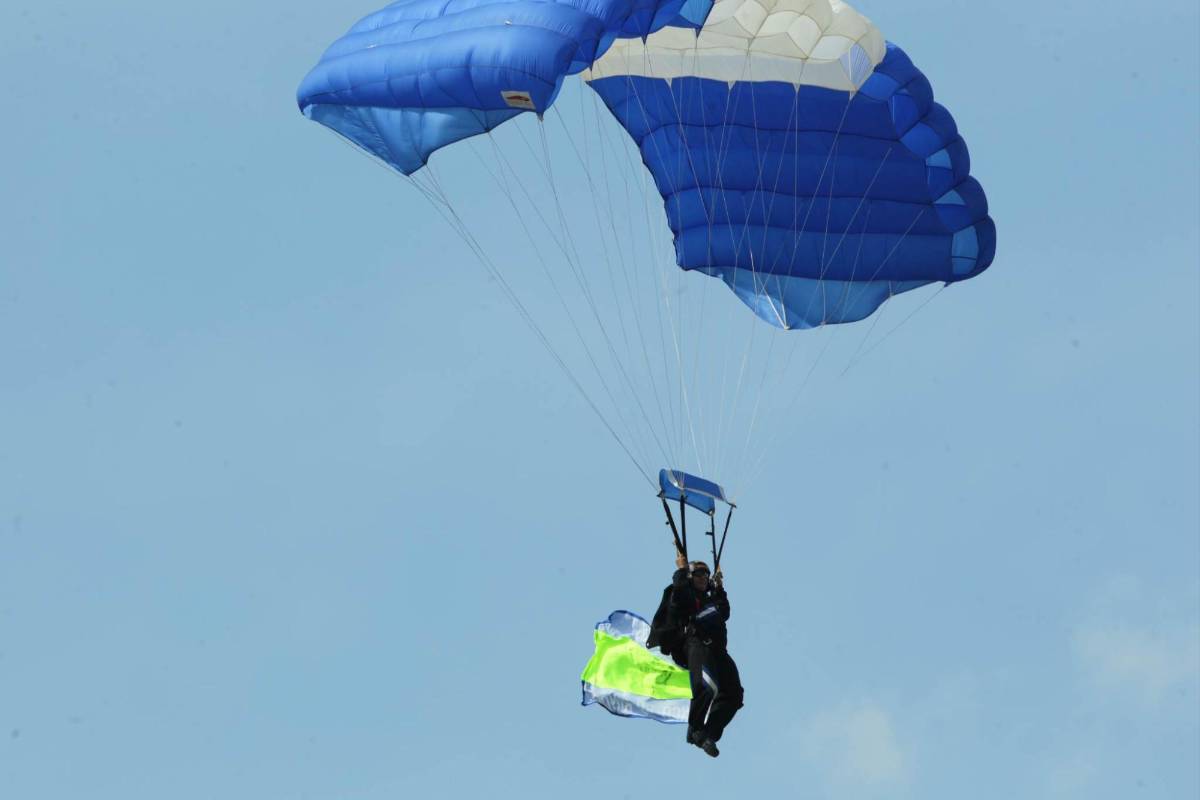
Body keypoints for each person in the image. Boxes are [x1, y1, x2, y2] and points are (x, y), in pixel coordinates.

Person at [668, 548, 744, 758]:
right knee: (707, 686)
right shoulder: (686, 596)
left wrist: (719, 587)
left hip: (718, 650)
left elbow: (724, 612)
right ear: (690, 577)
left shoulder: (710, 600)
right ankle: (695, 730)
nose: (703, 577)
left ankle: (709, 734)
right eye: (698, 573)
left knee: (734, 695)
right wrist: (681, 570)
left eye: (706, 573)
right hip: (697, 645)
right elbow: (678, 598)